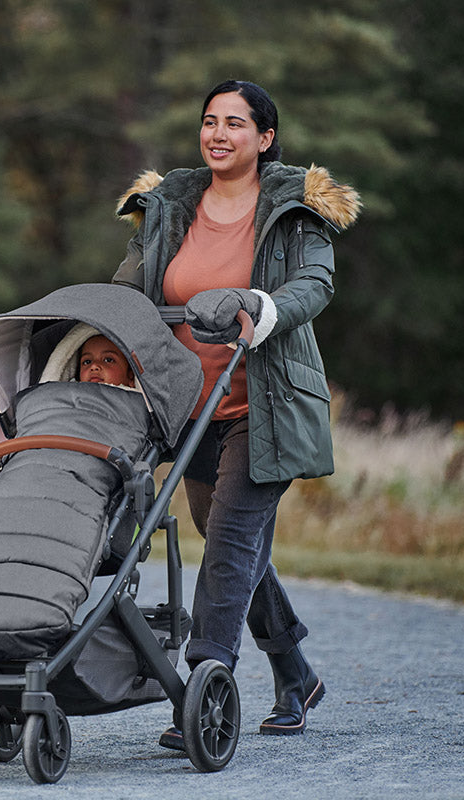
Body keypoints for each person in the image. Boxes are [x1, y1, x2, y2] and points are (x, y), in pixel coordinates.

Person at [112, 79, 360, 746]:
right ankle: (295, 673)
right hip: (193, 408)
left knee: (227, 545)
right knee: (228, 537)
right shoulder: (169, 204)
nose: (219, 134)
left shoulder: (294, 206)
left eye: (236, 123)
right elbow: (129, 284)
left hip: (265, 404)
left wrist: (258, 305)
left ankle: (203, 682)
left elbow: (314, 284)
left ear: (265, 137)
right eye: (209, 121)